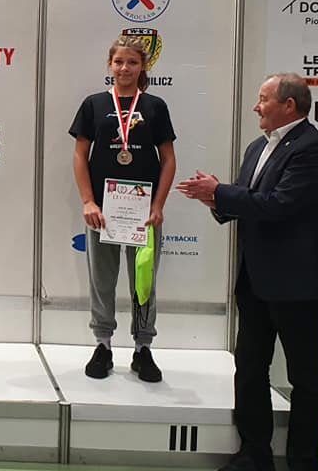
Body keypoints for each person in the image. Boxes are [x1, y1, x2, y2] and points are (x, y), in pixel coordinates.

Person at [176, 73, 318, 471]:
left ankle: (303, 461)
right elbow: (249, 201)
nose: (256, 106)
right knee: (249, 368)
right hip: (254, 281)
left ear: (289, 105)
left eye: (263, 99)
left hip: (298, 285)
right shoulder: (257, 147)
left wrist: (220, 192)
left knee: (304, 377)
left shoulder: (314, 148)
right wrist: (215, 199)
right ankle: (253, 454)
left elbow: (278, 204)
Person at [69, 35, 176, 382]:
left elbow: (169, 159)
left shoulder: (155, 106)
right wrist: (88, 200)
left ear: (143, 66)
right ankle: (103, 345)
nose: (125, 68)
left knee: (143, 280)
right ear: (110, 65)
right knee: (102, 279)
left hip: (143, 213)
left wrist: (158, 206)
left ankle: (143, 348)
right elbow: (80, 156)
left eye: (132, 62)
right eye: (119, 62)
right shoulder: (94, 104)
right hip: (103, 210)